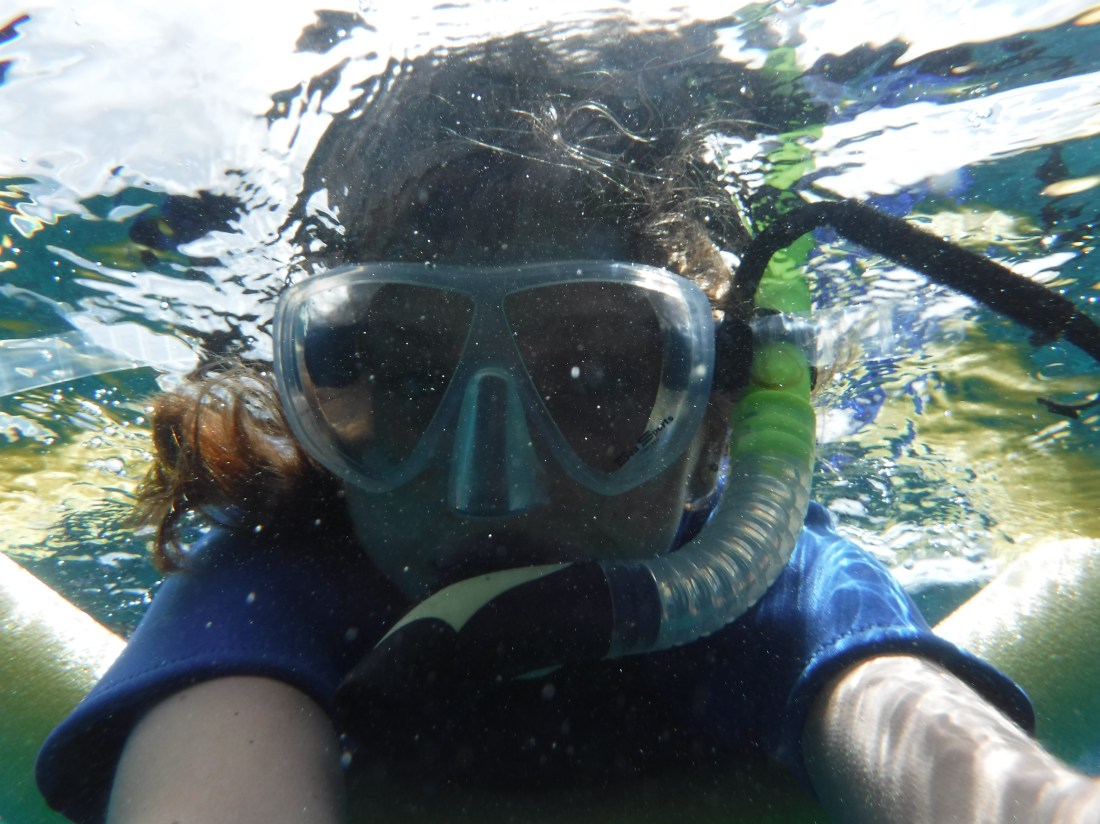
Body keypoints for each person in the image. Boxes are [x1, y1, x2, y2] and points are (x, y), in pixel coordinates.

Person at [35, 23, 1100, 824]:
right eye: (403, 369)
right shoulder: (273, 582)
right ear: (315, 390)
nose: (486, 476)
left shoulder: (779, 590)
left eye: (594, 374)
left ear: (715, 420)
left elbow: (921, 733)